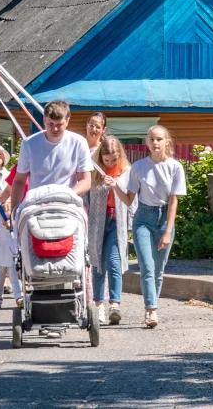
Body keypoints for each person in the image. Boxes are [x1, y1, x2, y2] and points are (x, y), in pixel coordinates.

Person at [114, 126, 186, 328]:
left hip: (164, 218)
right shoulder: (139, 167)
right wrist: (114, 187)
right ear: (147, 142)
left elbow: (173, 201)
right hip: (143, 218)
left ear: (166, 142)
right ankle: (151, 310)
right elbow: (129, 200)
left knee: (158, 270)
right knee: (147, 266)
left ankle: (152, 305)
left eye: (159, 139)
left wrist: (167, 231)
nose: (155, 143)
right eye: (152, 139)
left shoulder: (175, 167)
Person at [9, 100, 94, 208]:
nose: (55, 128)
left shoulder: (79, 142)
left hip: (67, 205)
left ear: (67, 121)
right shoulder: (29, 144)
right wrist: (14, 211)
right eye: (51, 124)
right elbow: (19, 181)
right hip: (36, 205)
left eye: (59, 125)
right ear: (44, 119)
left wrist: (66, 195)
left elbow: (85, 181)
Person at [89, 134, 131, 326]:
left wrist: (115, 185)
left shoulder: (126, 171)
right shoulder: (94, 171)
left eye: (113, 159)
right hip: (97, 221)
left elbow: (131, 199)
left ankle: (115, 304)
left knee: (114, 261)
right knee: (98, 262)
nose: (110, 162)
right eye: (106, 160)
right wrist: (102, 186)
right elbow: (88, 197)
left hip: (117, 221)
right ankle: (98, 305)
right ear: (101, 158)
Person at [0, 198, 22, 309]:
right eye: (2, 218)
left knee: (14, 279)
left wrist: (11, 227)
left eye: (7, 218)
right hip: (0, 258)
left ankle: (19, 297)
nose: (5, 221)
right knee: (0, 280)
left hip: (12, 257)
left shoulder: (16, 226)